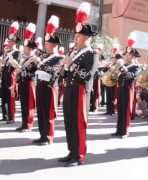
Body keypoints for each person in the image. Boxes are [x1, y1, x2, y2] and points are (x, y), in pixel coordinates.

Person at [59, 2, 98, 167]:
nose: (76, 38)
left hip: (81, 91)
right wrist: (63, 68)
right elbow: (68, 73)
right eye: (76, 35)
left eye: (79, 35)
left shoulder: (92, 54)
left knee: (79, 123)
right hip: (70, 89)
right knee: (68, 121)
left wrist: (72, 65)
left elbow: (87, 75)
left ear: (87, 38)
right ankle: (71, 152)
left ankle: (79, 155)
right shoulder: (74, 52)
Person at [33, 15, 63, 145]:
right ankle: (42, 135)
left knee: (49, 111)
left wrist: (41, 63)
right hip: (40, 85)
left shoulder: (59, 58)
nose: (46, 45)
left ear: (54, 45)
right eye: (45, 43)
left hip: (51, 87)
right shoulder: (45, 56)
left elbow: (54, 71)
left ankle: (48, 136)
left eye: (48, 43)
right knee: (40, 110)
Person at [111, 35, 140, 138]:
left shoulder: (136, 67)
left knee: (126, 110)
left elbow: (131, 76)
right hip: (120, 89)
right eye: (126, 54)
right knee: (120, 109)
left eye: (129, 55)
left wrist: (123, 68)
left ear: (133, 56)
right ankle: (119, 130)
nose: (127, 56)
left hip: (128, 90)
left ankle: (125, 131)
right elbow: (116, 76)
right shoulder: (123, 65)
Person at [0, 26, 21, 124]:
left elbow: (17, 65)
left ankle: (11, 117)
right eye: (9, 41)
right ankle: (5, 115)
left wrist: (9, 56)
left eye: (11, 41)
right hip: (4, 74)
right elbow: (2, 64)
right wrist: (1, 64)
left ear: (14, 43)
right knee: (3, 95)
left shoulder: (17, 52)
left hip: (12, 75)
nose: (9, 43)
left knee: (10, 97)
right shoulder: (6, 52)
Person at [16, 40, 38, 132]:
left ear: (30, 49)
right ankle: (24, 123)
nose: (24, 49)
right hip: (22, 82)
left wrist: (21, 69)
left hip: (30, 82)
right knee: (23, 104)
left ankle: (28, 125)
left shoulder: (34, 59)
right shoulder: (24, 58)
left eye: (25, 47)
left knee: (29, 104)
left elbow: (34, 72)